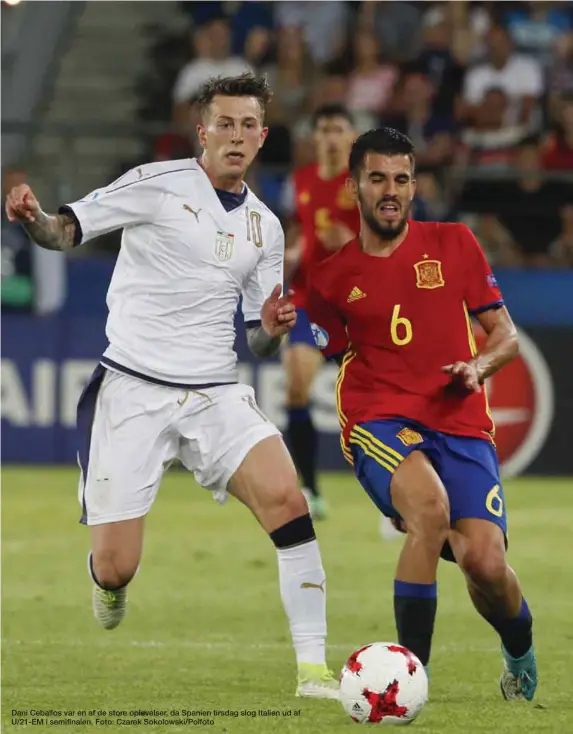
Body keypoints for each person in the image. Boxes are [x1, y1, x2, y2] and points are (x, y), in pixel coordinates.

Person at [5, 73, 338, 700]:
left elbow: (259, 341)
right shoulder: (155, 184)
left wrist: (267, 330)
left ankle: (314, 671)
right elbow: (64, 232)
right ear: (203, 130)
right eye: (226, 124)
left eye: (248, 126)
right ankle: (106, 580)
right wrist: (33, 219)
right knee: (117, 565)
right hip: (132, 389)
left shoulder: (267, 228)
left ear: (263, 136)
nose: (236, 136)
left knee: (289, 503)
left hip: (216, 392)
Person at [306, 127, 537, 701]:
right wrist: (275, 328)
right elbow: (312, 349)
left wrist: (477, 369)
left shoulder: (455, 243)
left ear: (414, 186)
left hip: (460, 427)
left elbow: (504, 336)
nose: (391, 190)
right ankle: (410, 680)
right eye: (378, 178)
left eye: (402, 179)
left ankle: (520, 654)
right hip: (378, 422)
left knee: (485, 565)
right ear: (355, 184)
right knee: (429, 510)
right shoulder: (331, 278)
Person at [282, 103, 359, 519]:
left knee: (383, 399)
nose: (330, 137)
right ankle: (310, 489)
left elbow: (394, 238)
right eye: (323, 129)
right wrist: (295, 249)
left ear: (351, 136)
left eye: (338, 129)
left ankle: (399, 500)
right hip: (311, 301)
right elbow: (303, 227)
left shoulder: (366, 180)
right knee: (296, 386)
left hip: (358, 304)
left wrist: (352, 237)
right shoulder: (303, 180)